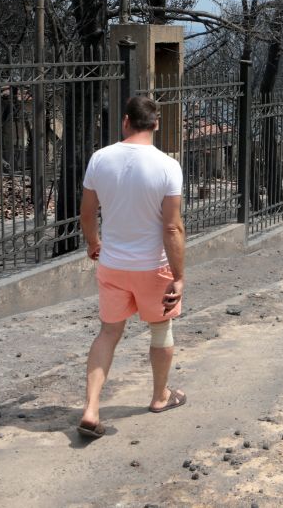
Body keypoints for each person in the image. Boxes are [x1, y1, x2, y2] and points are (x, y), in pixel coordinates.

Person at [77, 96, 187, 439]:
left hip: (112, 264)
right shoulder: (168, 166)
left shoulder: (100, 159)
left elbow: (86, 212)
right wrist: (179, 276)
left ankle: (92, 409)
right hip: (152, 266)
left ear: (125, 121)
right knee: (160, 329)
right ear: (155, 125)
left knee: (108, 332)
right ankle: (159, 397)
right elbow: (172, 227)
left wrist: (94, 243)